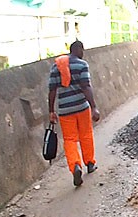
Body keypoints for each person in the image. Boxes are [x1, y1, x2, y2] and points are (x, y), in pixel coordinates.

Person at [48, 40, 100, 187]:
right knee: (86, 134)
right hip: (82, 107)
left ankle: (75, 166)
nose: (83, 53)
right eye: (82, 50)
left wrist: (51, 111)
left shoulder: (56, 67)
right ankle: (89, 163)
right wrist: (94, 107)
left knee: (70, 139)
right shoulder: (82, 65)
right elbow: (86, 86)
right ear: (78, 49)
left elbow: (52, 91)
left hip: (65, 110)